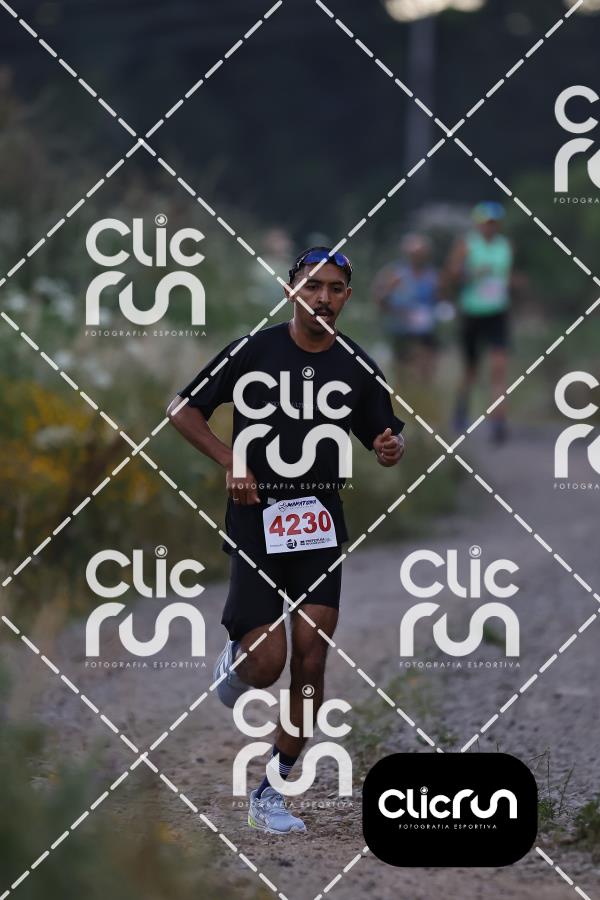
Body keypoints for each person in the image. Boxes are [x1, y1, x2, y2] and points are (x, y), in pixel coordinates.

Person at [167, 247, 405, 835]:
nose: (322, 297)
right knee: (266, 665)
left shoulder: (356, 363)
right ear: (290, 289)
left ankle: (271, 791)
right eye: (312, 285)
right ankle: (236, 661)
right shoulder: (253, 351)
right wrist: (231, 460)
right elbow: (182, 410)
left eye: (335, 288)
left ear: (348, 296)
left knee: (312, 658)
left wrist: (388, 447)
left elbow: (383, 435)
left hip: (319, 523)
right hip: (256, 519)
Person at [444, 202, 513, 444]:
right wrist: (472, 273)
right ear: (479, 224)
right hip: (472, 313)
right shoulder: (467, 245)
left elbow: (505, 276)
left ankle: (498, 420)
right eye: (486, 223)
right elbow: (452, 274)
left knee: (499, 367)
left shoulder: (505, 246)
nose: (490, 227)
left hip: (497, 312)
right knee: (471, 370)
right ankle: (461, 410)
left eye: (494, 223)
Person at [372, 233, 439, 382]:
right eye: (414, 253)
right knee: (402, 368)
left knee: (426, 366)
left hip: (425, 329)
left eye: (421, 253)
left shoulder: (432, 275)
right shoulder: (394, 272)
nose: (417, 257)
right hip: (401, 328)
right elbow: (379, 300)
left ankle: (423, 389)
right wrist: (389, 289)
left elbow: (440, 300)